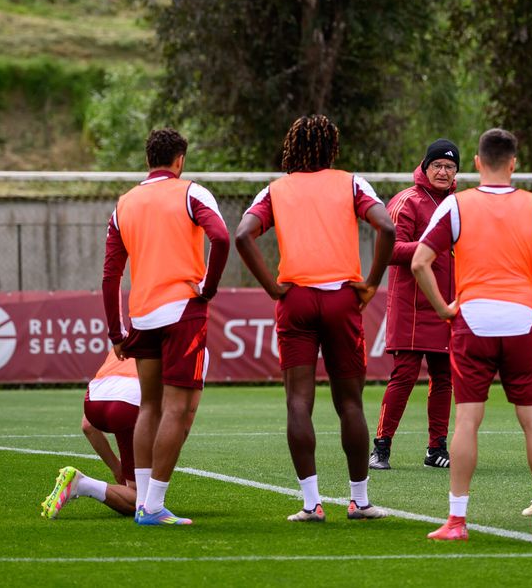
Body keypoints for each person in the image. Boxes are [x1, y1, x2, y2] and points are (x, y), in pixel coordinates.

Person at [413, 128, 532, 541]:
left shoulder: (457, 204)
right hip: (522, 321)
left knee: (467, 421)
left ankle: (456, 520)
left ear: (475, 163)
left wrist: (444, 308)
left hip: (473, 321)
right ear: (514, 164)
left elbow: (419, 262)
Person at [236, 115, 395, 523]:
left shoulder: (275, 189)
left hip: (297, 300)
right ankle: (359, 502)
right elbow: (386, 227)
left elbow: (242, 235)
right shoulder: (351, 182)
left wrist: (273, 288)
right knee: (350, 404)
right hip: (343, 297)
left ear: (292, 148)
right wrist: (372, 283)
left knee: (298, 402)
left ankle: (311, 504)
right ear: (332, 149)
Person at [102, 128, 229, 526]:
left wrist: (116, 334)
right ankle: (153, 506)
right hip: (182, 313)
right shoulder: (192, 192)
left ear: (147, 161)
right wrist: (207, 287)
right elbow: (221, 238)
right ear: (180, 160)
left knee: (150, 406)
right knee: (176, 408)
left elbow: (110, 276)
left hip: (141, 316)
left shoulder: (124, 205)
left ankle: (141, 499)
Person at [370, 139, 460, 470]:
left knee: (444, 376)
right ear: (424, 167)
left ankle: (436, 448)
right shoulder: (407, 201)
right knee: (404, 375)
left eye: (449, 167)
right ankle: (381, 445)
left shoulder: (460, 204)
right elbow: (391, 250)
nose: (443, 171)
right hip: (411, 305)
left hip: (445, 306)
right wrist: (429, 247)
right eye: (437, 165)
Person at [41, 348, 205, 519]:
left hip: (93, 403)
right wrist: (164, 461)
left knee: (130, 422)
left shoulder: (130, 336)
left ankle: (89, 483)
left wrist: (116, 468)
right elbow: (186, 415)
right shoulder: (191, 345)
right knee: (141, 501)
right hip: (132, 405)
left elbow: (87, 426)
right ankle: (82, 484)